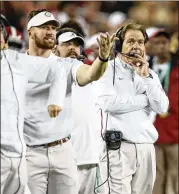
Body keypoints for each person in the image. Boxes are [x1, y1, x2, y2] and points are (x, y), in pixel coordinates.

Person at [23, 9, 115, 194]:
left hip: (63, 150)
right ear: (30, 32)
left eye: (52, 28)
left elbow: (89, 74)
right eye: (44, 27)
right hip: (31, 153)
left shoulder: (66, 64)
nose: (50, 31)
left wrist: (103, 58)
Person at [93, 23, 169, 194]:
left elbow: (162, 107)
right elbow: (108, 103)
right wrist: (144, 100)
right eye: (131, 41)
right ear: (119, 45)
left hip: (146, 147)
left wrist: (147, 77)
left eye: (140, 42)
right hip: (118, 149)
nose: (136, 46)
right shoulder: (105, 69)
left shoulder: (150, 74)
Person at [0, 14, 67, 194]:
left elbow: (57, 69)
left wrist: (55, 99)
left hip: (18, 154)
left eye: (0, 32)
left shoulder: (16, 63)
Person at [54, 27, 103, 194]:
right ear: (54, 48)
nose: (72, 48)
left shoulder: (86, 70)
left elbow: (90, 74)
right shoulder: (51, 72)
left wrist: (102, 59)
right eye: (66, 44)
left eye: (76, 44)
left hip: (90, 154)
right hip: (63, 158)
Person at [148, 30, 178, 194]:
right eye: (157, 43)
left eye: (164, 43)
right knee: (156, 172)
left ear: (170, 45)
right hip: (153, 128)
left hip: (175, 127)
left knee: (175, 172)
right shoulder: (145, 67)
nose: (160, 47)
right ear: (151, 45)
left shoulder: (177, 67)